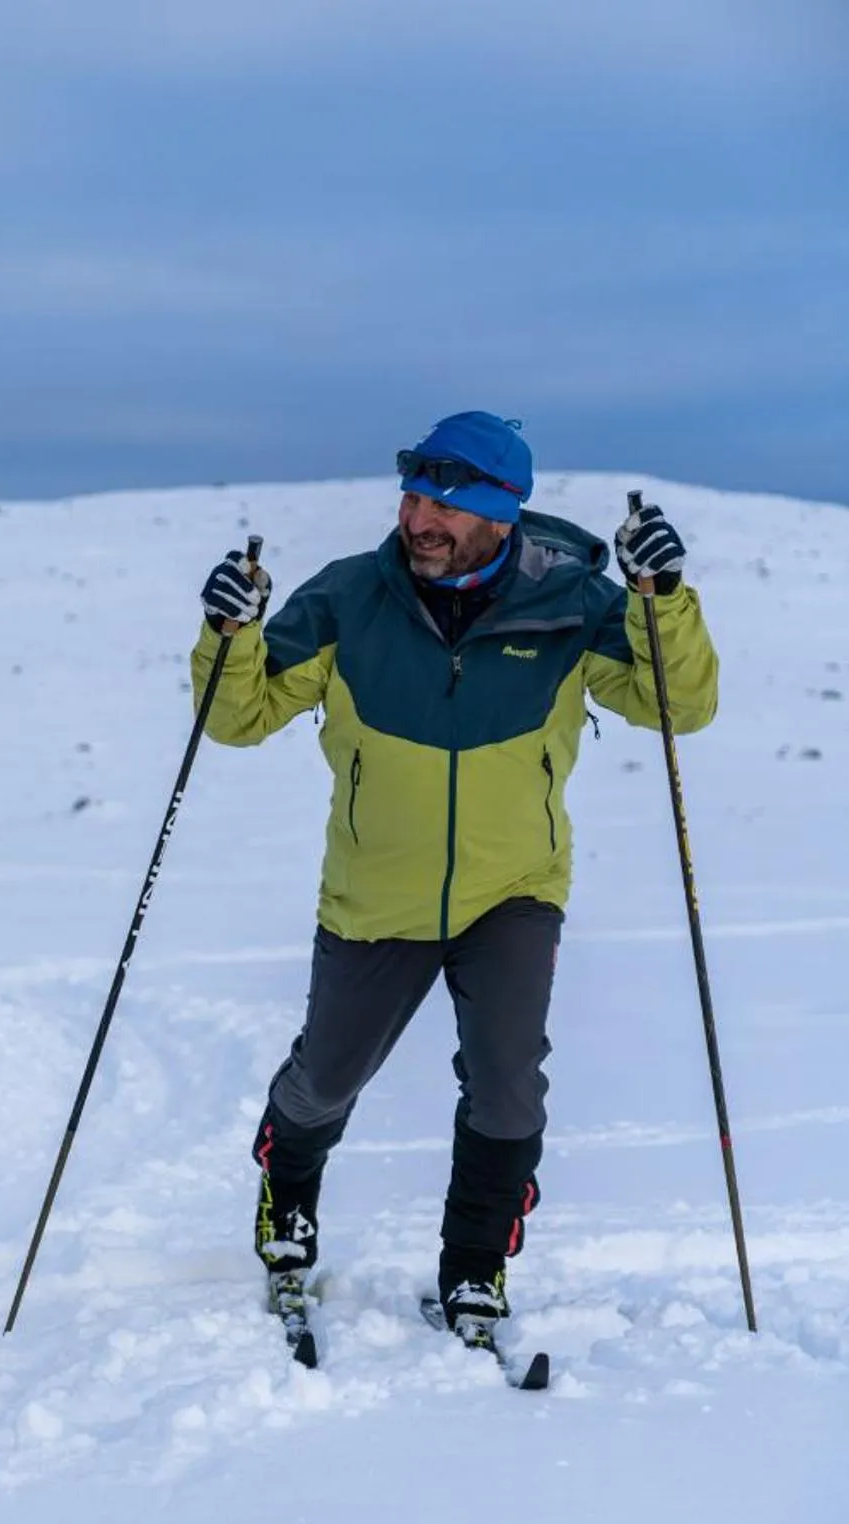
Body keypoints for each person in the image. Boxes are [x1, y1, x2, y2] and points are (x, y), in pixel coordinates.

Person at [193, 412, 718, 1344]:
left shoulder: (573, 603)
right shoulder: (348, 598)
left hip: (513, 888)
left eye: (446, 504)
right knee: (324, 1082)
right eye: (413, 497)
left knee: (509, 1084)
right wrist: (228, 631)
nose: (419, 518)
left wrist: (662, 596)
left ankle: (474, 1270)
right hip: (374, 892)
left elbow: (679, 704)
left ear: (501, 514)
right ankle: (290, 1194)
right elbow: (239, 718)